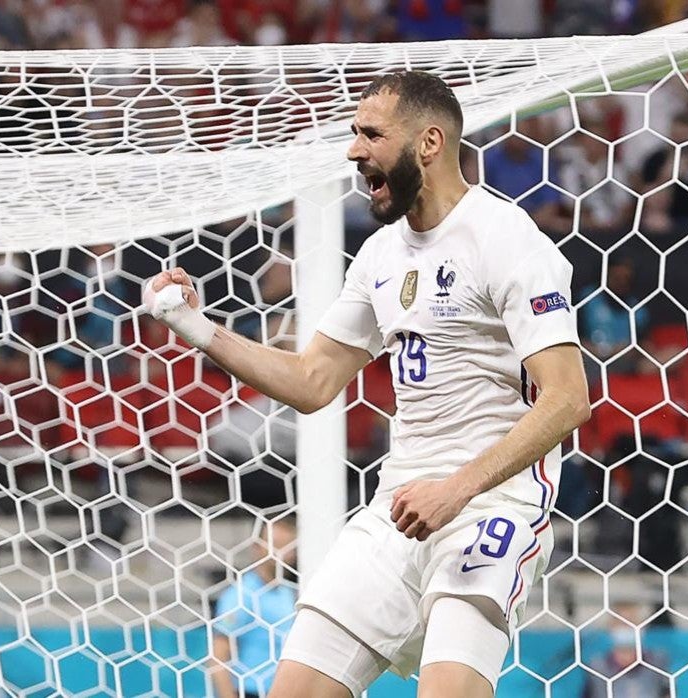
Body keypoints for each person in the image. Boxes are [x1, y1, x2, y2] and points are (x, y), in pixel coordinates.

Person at [144, 70, 590, 698]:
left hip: (491, 507)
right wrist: (194, 324)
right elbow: (312, 379)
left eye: (371, 134)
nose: (354, 150)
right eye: (354, 133)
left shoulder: (507, 238)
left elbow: (568, 399)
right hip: (397, 509)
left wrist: (455, 490)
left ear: (429, 143)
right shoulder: (381, 254)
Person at [210, 519, 299, 698]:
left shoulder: (289, 592)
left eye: (289, 546)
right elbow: (218, 657)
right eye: (276, 545)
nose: (282, 553)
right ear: (257, 547)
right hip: (251, 692)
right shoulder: (241, 594)